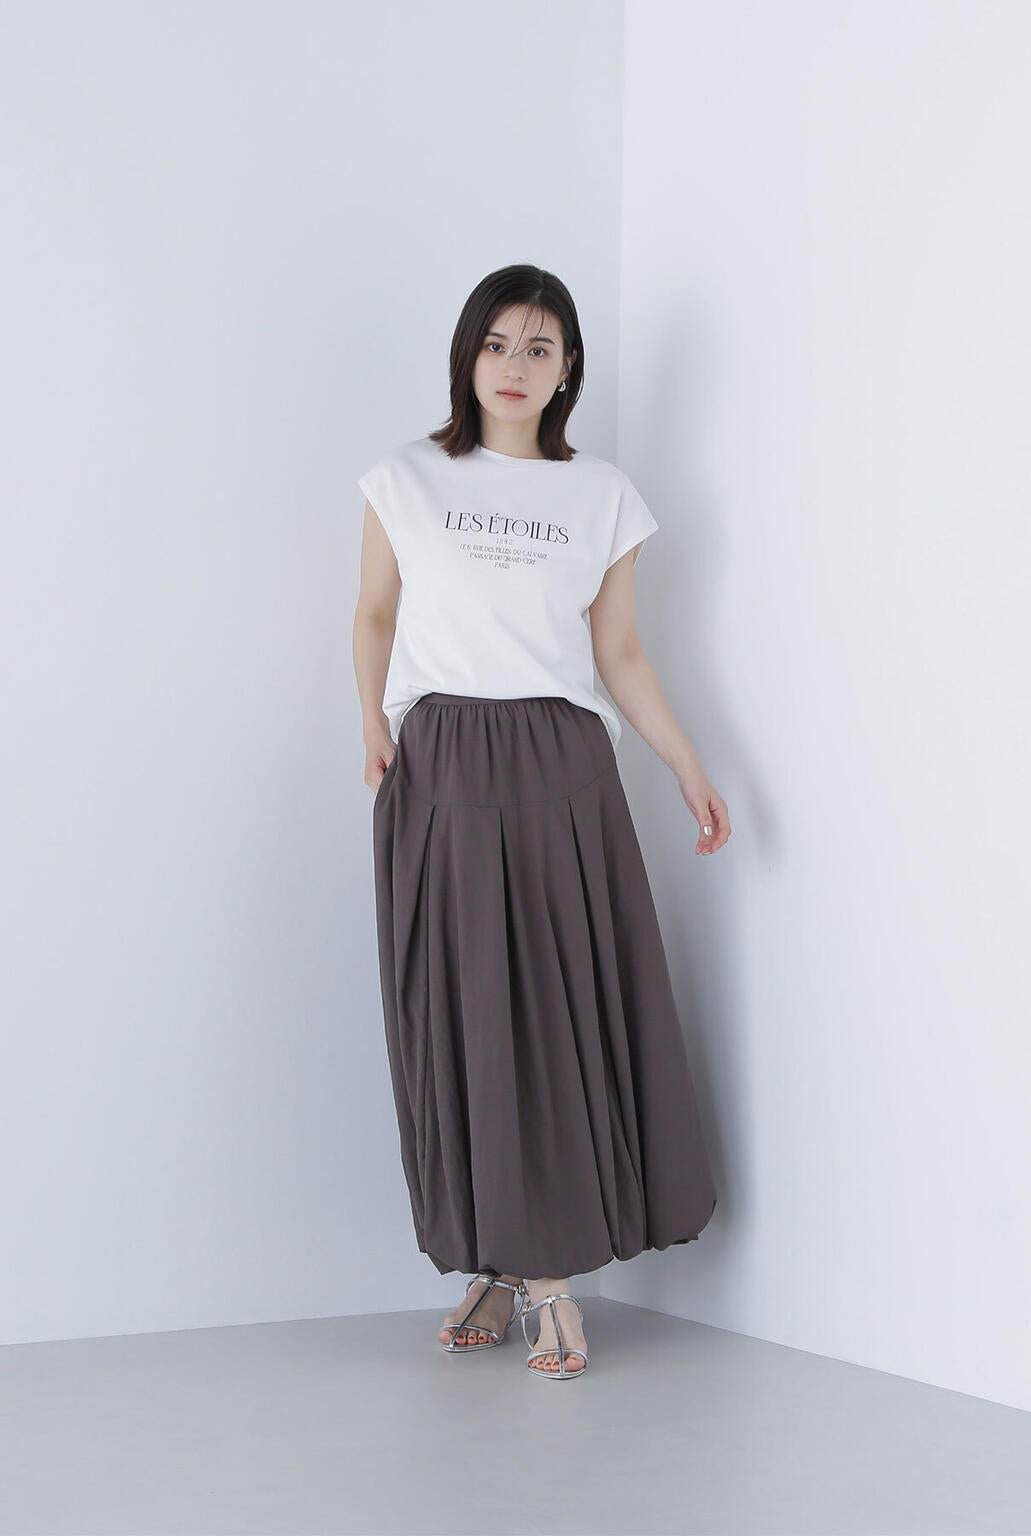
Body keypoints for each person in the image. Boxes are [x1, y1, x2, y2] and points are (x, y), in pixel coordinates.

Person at [351, 264, 728, 1382]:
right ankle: (493, 1256)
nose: (515, 367)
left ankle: (550, 1277)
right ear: (467, 355)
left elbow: (619, 651)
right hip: (442, 759)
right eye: (497, 344)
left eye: (540, 348)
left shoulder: (601, 496)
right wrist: (372, 724)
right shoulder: (406, 478)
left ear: (568, 372)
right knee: (456, 1016)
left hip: (562, 763)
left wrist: (684, 763)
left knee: (557, 1016)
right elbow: (374, 613)